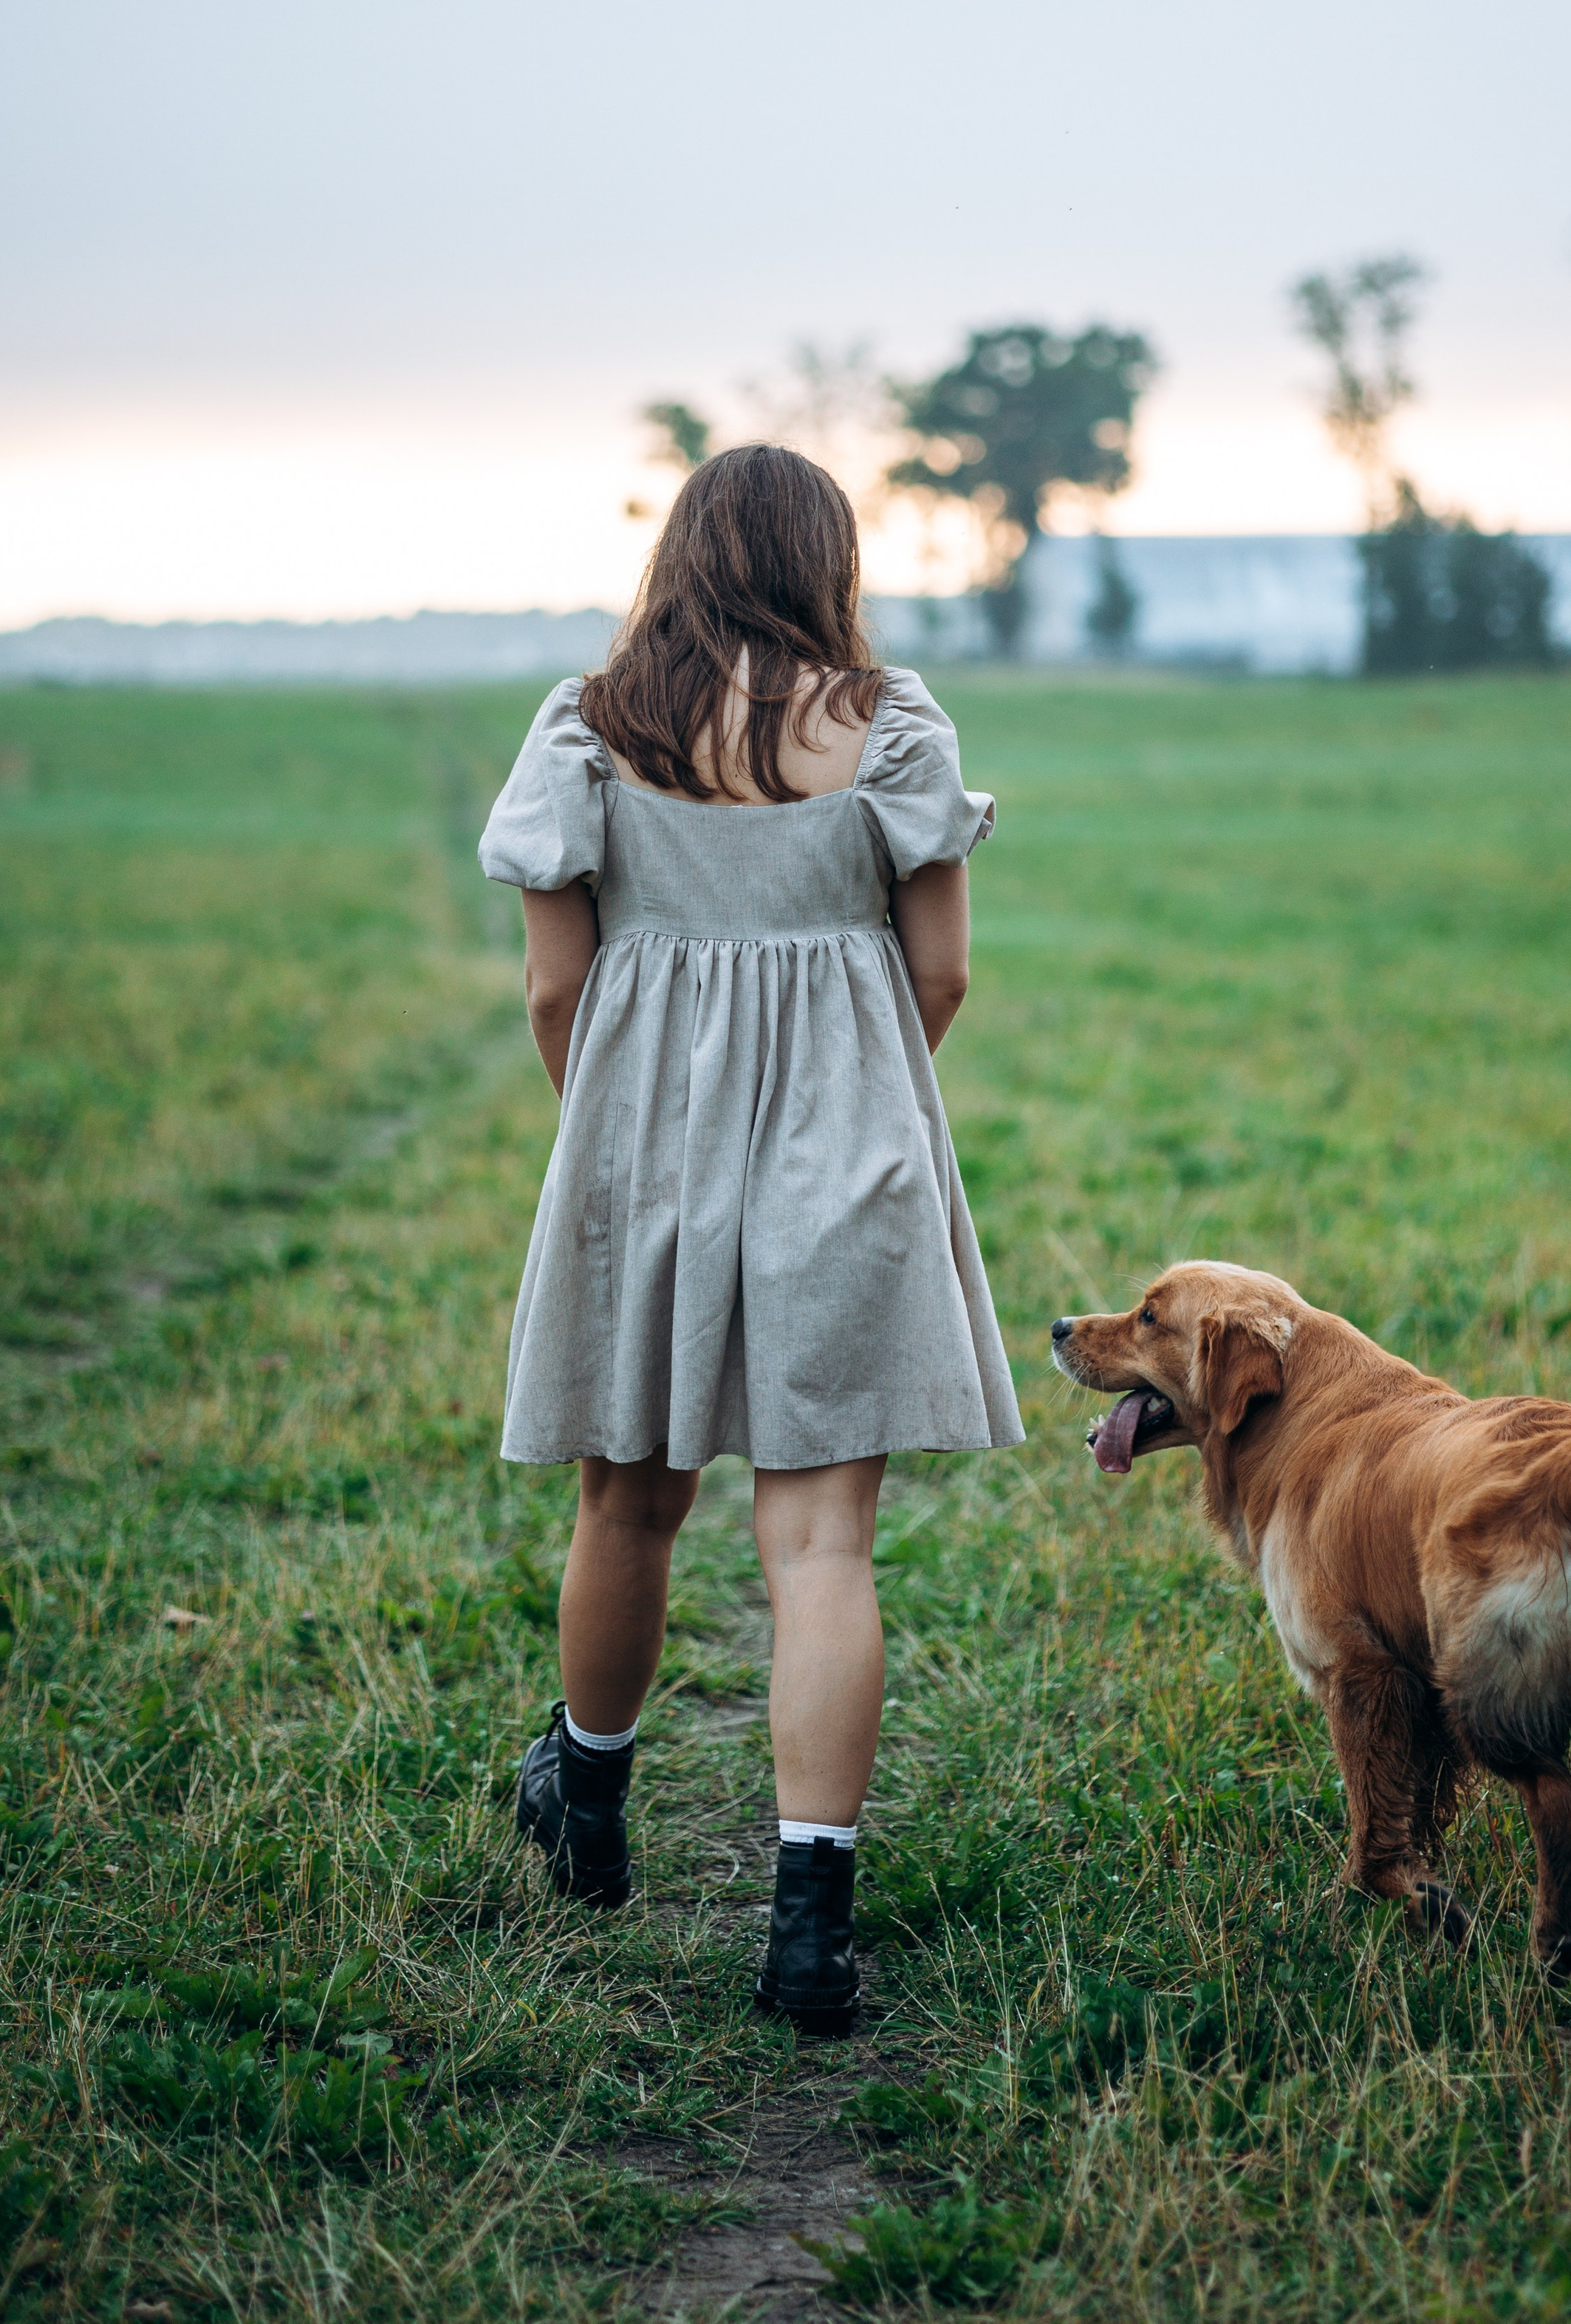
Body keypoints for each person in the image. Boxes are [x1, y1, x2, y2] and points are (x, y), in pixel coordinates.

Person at [477, 444, 1022, 2034]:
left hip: (639, 1149)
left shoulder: (589, 727)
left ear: (682, 557)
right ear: (824, 561)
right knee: (822, 1545)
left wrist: (623, 1131)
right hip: (849, 1145)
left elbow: (555, 987)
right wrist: (848, 1106)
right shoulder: (890, 726)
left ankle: (587, 1806)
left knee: (627, 1501)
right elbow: (941, 974)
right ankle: (806, 1936)